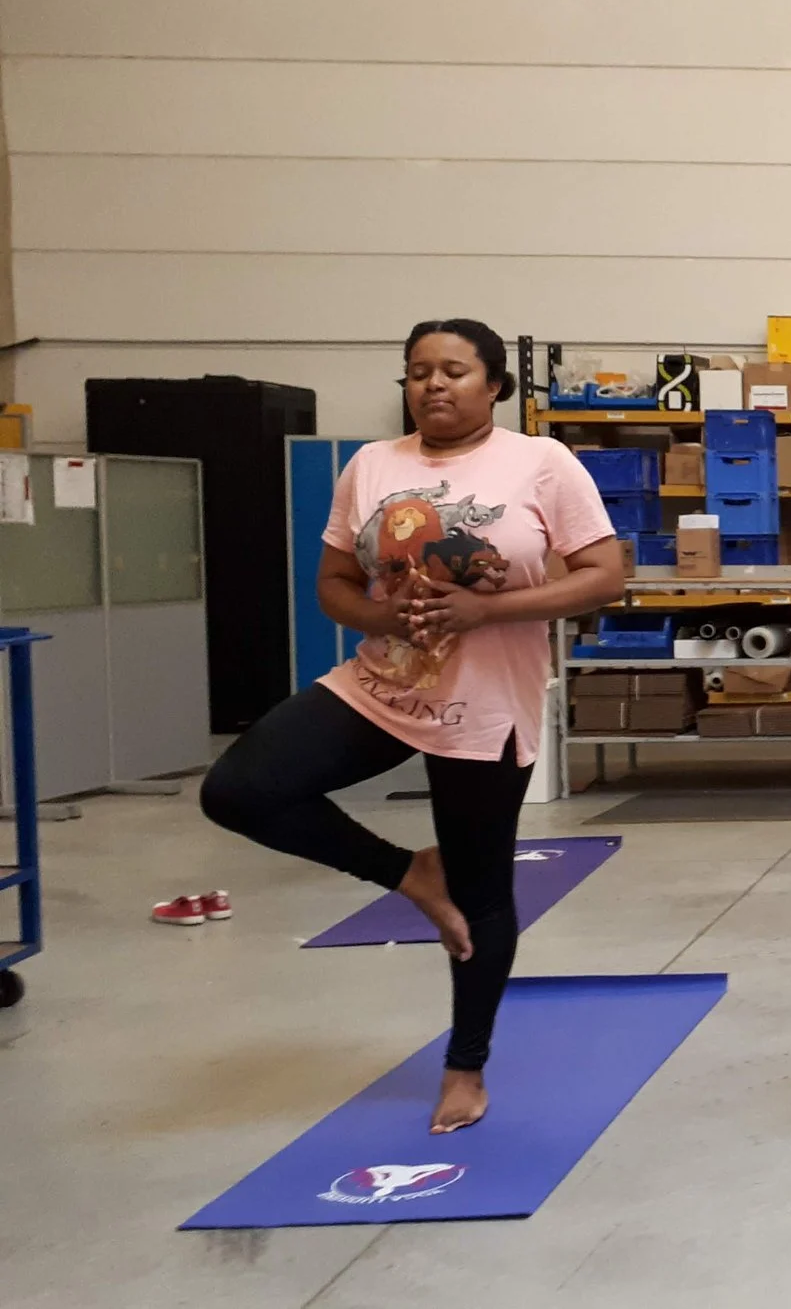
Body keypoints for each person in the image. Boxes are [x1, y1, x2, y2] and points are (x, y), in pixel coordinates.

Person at [198, 318, 625, 1135]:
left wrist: (483, 608)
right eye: (419, 371)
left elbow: (606, 575)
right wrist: (380, 616)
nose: (434, 385)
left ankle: (465, 1067)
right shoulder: (371, 466)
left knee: (484, 893)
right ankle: (408, 874)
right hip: (382, 685)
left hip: (484, 704)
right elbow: (333, 582)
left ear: (493, 385)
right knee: (241, 789)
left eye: (455, 371)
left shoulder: (541, 462)